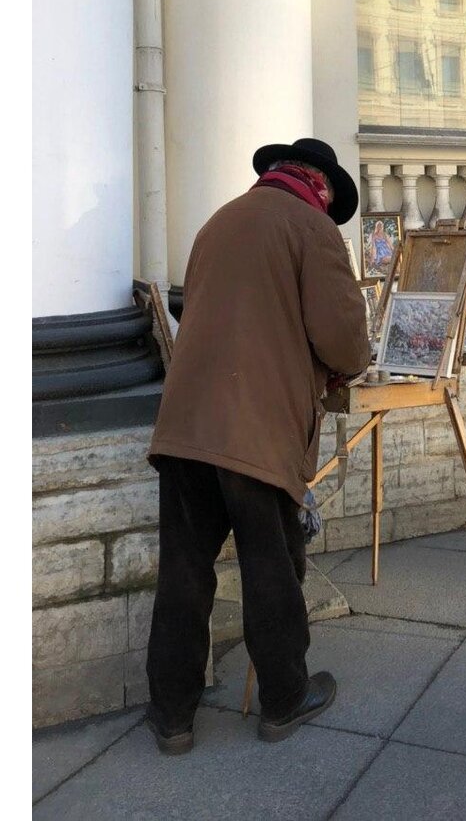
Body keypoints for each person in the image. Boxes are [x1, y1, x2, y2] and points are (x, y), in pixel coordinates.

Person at [144, 138, 371, 753]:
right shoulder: (312, 228)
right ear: (321, 186)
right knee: (270, 563)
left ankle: (172, 717)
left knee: (184, 573)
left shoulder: (218, 221)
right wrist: (353, 361)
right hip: (256, 426)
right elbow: (344, 339)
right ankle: (283, 699)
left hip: (187, 423)